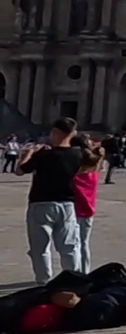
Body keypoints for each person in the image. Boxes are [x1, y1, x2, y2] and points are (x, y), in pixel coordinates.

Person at [18, 117, 85, 283]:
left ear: (55, 132)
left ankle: (44, 281)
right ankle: (72, 281)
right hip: (67, 204)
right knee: (69, 246)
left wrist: (29, 154)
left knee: (40, 248)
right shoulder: (77, 154)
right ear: (73, 133)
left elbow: (20, 170)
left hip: (41, 203)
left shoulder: (43, 155)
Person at [73, 139, 105, 273]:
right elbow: (98, 165)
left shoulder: (75, 178)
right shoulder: (94, 176)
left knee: (74, 243)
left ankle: (76, 269)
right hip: (89, 211)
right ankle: (85, 270)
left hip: (75, 211)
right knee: (84, 243)